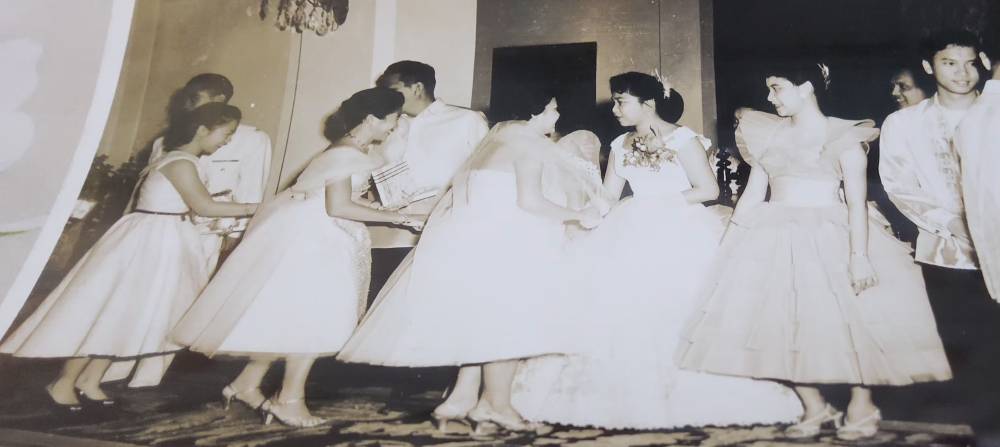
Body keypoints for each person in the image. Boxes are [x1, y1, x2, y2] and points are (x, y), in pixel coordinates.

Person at [511, 72, 803, 430]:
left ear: (647, 104)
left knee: (678, 304)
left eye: (622, 101)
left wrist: (657, 203)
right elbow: (608, 195)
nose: (615, 108)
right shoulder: (619, 144)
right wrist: (584, 216)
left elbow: (708, 189)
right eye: (615, 101)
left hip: (678, 228)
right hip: (629, 227)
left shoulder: (682, 139)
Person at [677, 61, 951, 441]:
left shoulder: (842, 136)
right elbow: (753, 195)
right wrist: (728, 245)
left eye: (777, 88)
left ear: (805, 87)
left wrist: (859, 257)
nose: (770, 97)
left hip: (832, 233)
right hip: (774, 234)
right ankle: (814, 405)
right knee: (779, 323)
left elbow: (856, 203)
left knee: (852, 321)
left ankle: (861, 405)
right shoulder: (767, 134)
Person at [338, 96, 605, 433]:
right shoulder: (528, 145)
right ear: (534, 112)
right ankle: (498, 406)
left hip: (473, 244)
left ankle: (461, 399)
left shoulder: (491, 147)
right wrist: (579, 215)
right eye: (552, 108)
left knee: (483, 323)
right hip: (509, 243)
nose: (557, 113)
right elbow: (530, 202)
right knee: (509, 324)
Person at [170, 88, 420, 428]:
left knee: (292, 316)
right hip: (315, 239)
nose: (395, 125)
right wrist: (399, 218)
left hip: (319, 233)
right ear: (371, 119)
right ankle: (288, 399)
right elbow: (338, 206)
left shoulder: (351, 150)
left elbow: (337, 196)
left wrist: (384, 208)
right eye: (392, 118)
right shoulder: (346, 153)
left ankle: (245, 384)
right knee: (312, 318)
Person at [0, 103, 258, 410]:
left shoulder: (185, 161)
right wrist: (255, 208)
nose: (227, 141)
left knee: (129, 314)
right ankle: (63, 382)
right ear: (203, 129)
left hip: (165, 237)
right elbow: (204, 206)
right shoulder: (180, 163)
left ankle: (90, 379)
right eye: (226, 133)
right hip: (147, 240)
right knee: (112, 311)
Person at [878, 30, 999, 433]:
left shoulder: (994, 114)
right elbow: (899, 185)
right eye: (950, 63)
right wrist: (953, 223)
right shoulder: (904, 123)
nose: (963, 73)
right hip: (947, 251)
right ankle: (985, 430)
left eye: (971, 63)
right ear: (928, 67)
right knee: (966, 349)